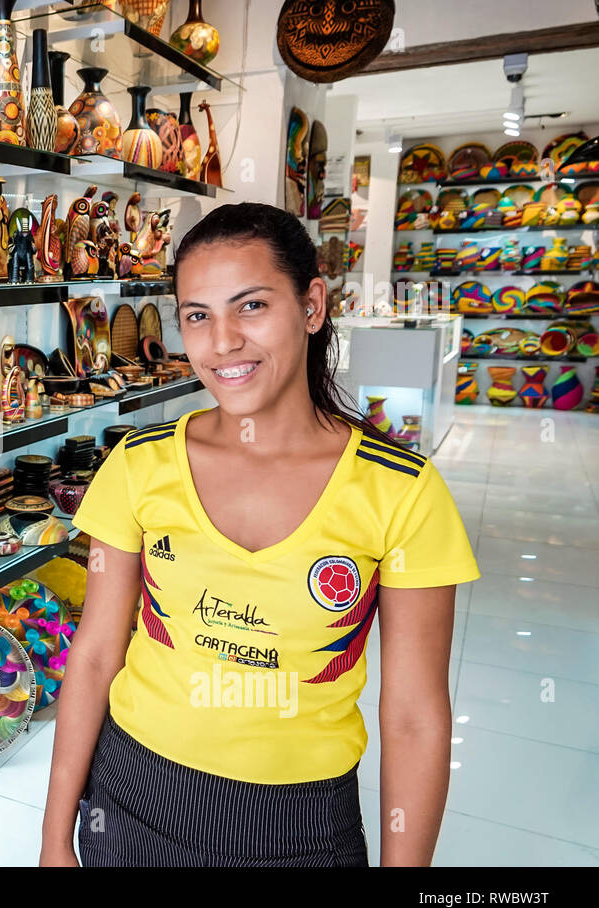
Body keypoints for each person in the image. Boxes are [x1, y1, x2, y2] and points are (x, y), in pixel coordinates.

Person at [41, 202, 480, 867]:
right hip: (129, 796)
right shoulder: (140, 464)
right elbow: (97, 654)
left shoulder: (401, 490)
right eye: (197, 316)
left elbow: (416, 716)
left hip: (298, 827)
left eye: (250, 307)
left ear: (311, 306)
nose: (222, 343)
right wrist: (53, 840)